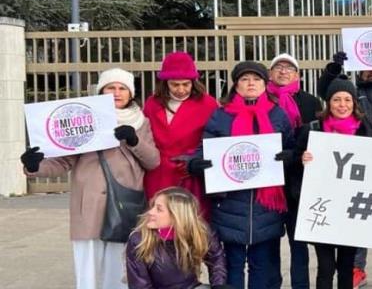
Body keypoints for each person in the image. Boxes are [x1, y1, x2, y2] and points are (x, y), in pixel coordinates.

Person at [21, 68, 160, 289]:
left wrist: (134, 140)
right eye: (110, 87)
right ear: (101, 91)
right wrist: (34, 166)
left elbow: (153, 161)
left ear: (131, 93)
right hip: (88, 205)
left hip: (124, 205)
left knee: (119, 273)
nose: (116, 92)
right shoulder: (83, 119)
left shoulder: (141, 122)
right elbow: (63, 162)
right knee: (87, 274)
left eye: (122, 88)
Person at [187, 61, 296, 289]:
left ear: (265, 84)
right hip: (229, 204)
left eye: (256, 79)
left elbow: (291, 146)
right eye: (245, 79)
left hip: (266, 205)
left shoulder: (278, 115)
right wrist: (196, 163)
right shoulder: (221, 116)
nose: (251, 84)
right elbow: (204, 147)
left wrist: (289, 157)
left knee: (262, 266)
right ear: (236, 85)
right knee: (232, 266)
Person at [298, 78, 372, 289]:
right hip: (322, 209)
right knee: (325, 267)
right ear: (328, 103)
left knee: (346, 266)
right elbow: (293, 159)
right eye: (337, 99)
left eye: (347, 100)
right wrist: (301, 160)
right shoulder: (312, 130)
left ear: (354, 103)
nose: (342, 105)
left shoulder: (364, 130)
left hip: (351, 210)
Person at [268, 53, 322, 289]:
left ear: (297, 75)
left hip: (298, 182)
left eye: (289, 68)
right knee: (268, 243)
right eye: (278, 67)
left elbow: (320, 138)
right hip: (268, 182)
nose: (283, 71)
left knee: (298, 242)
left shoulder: (311, 102)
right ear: (270, 74)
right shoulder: (261, 99)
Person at [143, 51, 219, 216]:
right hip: (159, 173)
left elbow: (216, 138)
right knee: (161, 221)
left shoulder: (208, 104)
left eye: (186, 84)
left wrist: (195, 159)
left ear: (193, 82)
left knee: (192, 221)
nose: (181, 89)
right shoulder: (152, 103)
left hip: (190, 173)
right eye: (175, 84)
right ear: (165, 83)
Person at [126, 187, 230, 289]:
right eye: (152, 206)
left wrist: (218, 285)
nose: (150, 212)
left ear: (176, 216)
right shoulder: (139, 239)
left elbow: (216, 258)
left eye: (159, 209)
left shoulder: (199, 230)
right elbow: (140, 285)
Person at [318, 51, 372, 126]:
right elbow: (325, 91)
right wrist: (334, 68)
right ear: (360, 73)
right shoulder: (352, 95)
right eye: (366, 67)